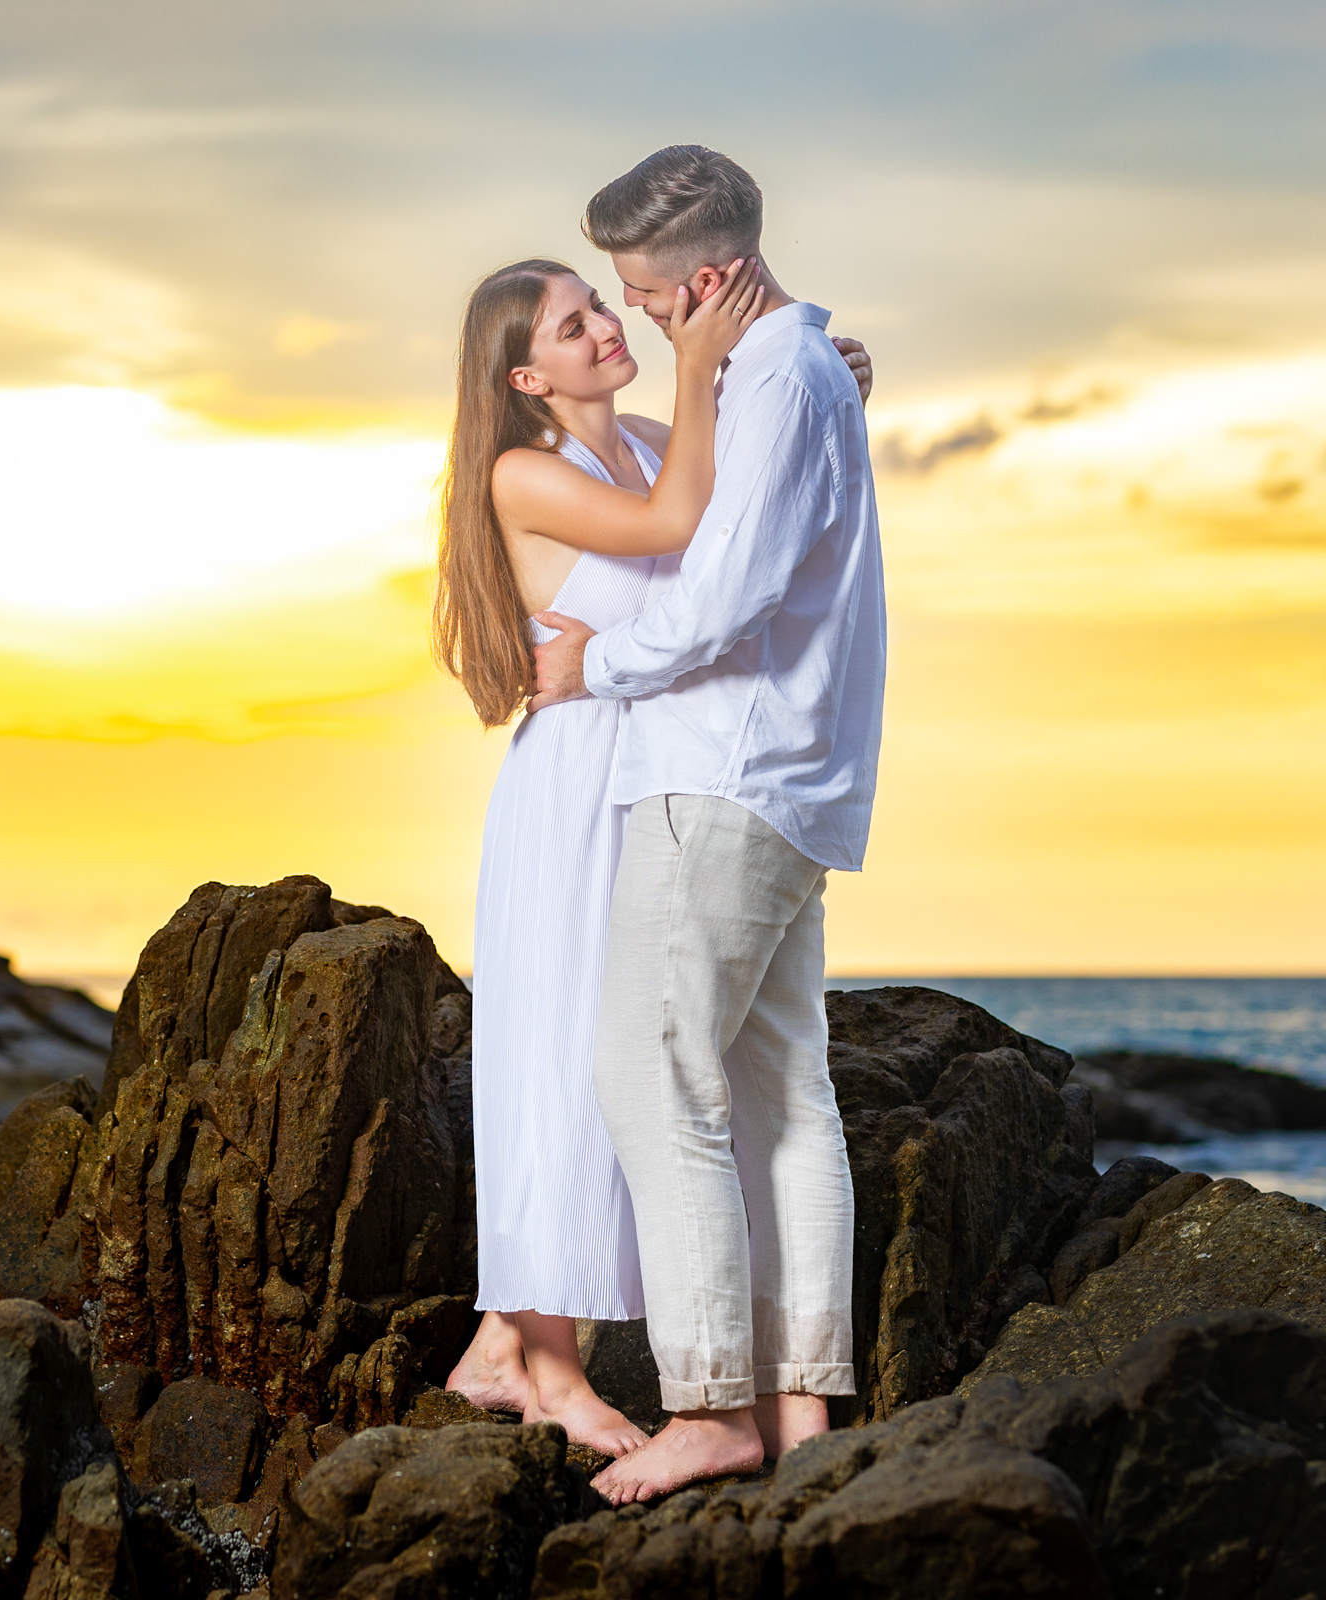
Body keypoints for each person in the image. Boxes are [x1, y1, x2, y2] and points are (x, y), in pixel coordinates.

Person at [431, 245, 872, 1457]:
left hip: (657, 770)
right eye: (573, 328)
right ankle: (552, 1373)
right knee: (563, 1054)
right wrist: (700, 362)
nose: (602, 330)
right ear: (526, 374)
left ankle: (503, 1340)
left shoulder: (634, 446)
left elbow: (737, 517)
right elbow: (683, 520)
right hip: (578, 783)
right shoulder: (530, 472)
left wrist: (825, 390)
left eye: (597, 309)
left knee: (634, 1059)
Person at [526, 145, 887, 1504]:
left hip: (722, 778)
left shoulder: (784, 382)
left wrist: (592, 670)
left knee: (647, 1075)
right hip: (791, 785)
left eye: (650, 294)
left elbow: (726, 594)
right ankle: (805, 1417)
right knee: (782, 1099)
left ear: (715, 278)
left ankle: (710, 1406)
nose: (644, 318)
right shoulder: (802, 378)